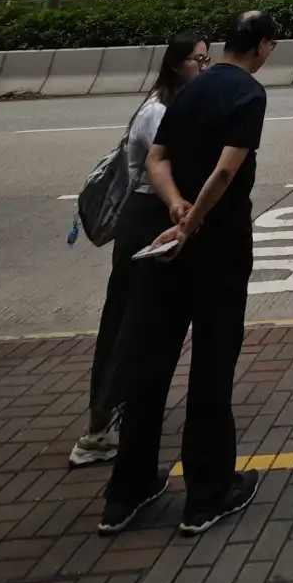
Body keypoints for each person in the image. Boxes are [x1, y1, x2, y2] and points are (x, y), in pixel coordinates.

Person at [98, 8, 280, 537]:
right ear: (262, 46)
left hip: (167, 243)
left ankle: (126, 492)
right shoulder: (248, 93)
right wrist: (194, 220)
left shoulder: (191, 89)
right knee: (212, 365)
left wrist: (176, 207)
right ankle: (207, 495)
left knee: (150, 364)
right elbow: (226, 171)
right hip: (217, 246)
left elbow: (157, 159)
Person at [68, 33, 211, 468]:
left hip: (158, 216)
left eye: (207, 60)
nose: (203, 68)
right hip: (146, 219)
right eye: (197, 61)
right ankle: (99, 429)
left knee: (145, 320)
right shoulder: (157, 112)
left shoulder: (174, 105)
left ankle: (126, 409)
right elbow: (171, 164)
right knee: (126, 324)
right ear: (175, 64)